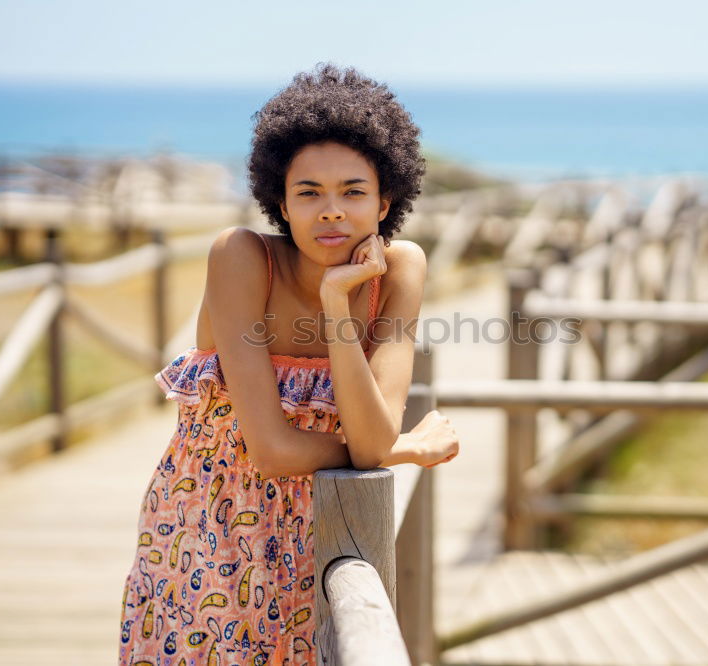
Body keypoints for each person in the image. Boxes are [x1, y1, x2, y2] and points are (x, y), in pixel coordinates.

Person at [118, 63, 459, 666]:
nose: (331, 211)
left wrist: (337, 306)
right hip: (210, 531)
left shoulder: (400, 270)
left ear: (386, 201)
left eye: (353, 192)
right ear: (280, 199)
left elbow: (369, 438)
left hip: (330, 530)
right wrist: (399, 448)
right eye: (309, 193)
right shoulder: (242, 258)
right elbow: (273, 450)